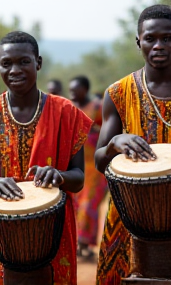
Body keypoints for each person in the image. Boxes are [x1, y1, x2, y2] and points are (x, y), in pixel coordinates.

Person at [0, 31, 93, 285]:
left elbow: (78, 179)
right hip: (0, 235)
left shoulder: (66, 113)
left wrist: (59, 175)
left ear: (38, 63)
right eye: (6, 63)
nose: (15, 70)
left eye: (24, 62)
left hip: (52, 232)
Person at [95, 4, 171, 285]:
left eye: (168, 38)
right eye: (151, 38)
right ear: (139, 41)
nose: (159, 45)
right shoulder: (118, 93)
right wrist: (115, 141)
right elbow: (99, 161)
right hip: (129, 216)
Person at [69, 75, 107, 260]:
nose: (73, 92)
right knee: (74, 205)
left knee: (88, 205)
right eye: (71, 90)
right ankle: (76, 244)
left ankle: (84, 243)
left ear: (85, 89)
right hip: (74, 167)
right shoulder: (68, 107)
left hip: (94, 167)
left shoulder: (97, 107)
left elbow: (108, 128)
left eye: (76, 89)